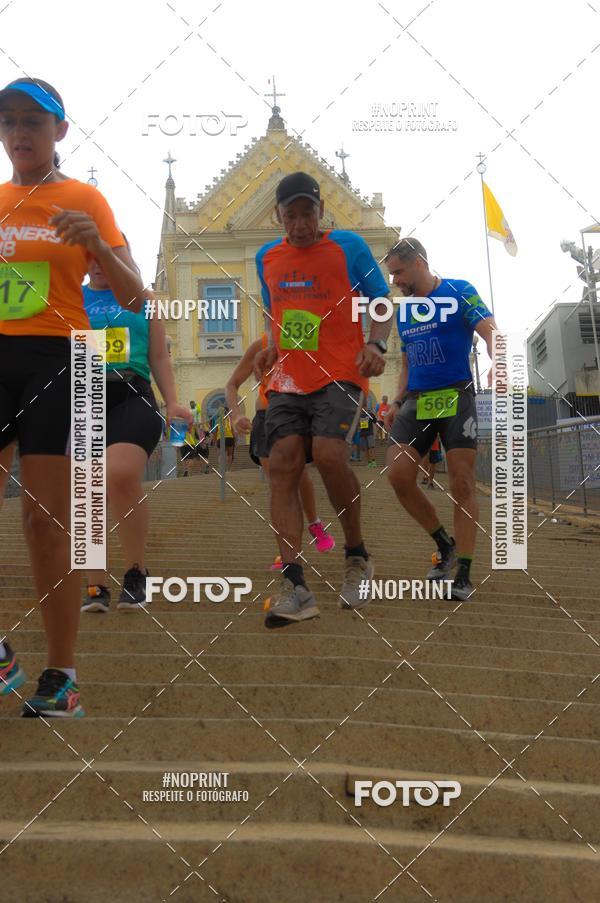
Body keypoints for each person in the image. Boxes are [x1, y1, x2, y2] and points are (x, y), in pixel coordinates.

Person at [0, 78, 145, 716]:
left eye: (33, 120)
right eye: (8, 121)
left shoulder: (85, 199)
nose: (19, 132)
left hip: (64, 358)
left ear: (60, 130)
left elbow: (136, 295)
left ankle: (62, 677)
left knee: (44, 520)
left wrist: (98, 246)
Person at [253, 171, 392, 627]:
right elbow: (274, 310)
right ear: (278, 216)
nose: (300, 224)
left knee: (330, 454)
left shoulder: (348, 247)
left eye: (307, 213)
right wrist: (271, 346)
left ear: (321, 211)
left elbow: (381, 301)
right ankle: (295, 585)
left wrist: (376, 344)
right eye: (290, 215)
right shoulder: (266, 257)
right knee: (282, 464)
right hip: (288, 378)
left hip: (341, 372)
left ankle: (357, 555)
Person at [383, 238, 496, 601]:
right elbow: (407, 363)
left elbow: (490, 331)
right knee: (399, 474)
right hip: (416, 400)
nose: (395, 281)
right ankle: (444, 544)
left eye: (399, 272)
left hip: (456, 395)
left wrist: (499, 362)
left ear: (419, 262)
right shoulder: (404, 312)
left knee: (462, 482)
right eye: (392, 275)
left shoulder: (459, 291)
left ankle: (464, 571)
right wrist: (396, 401)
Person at [82, 260, 191, 613]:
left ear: (124, 261)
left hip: (132, 392)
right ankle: (95, 584)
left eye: (107, 257)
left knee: (120, 472)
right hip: (83, 394)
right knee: (87, 488)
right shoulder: (72, 297)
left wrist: (172, 401)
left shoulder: (145, 300)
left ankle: (136, 571)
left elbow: (159, 356)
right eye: (91, 258)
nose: (98, 265)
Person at [226, 333, 335, 570]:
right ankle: (288, 553)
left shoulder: (305, 336)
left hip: (296, 415)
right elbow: (232, 384)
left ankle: (314, 523)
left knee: (300, 475)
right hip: (266, 418)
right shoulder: (262, 344)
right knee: (279, 487)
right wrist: (236, 416)